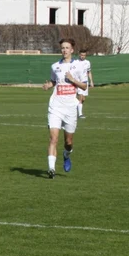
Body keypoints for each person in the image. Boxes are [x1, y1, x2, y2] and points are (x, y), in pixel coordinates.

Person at [43, 39, 88, 179]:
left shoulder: (79, 67)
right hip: (55, 106)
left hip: (70, 108)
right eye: (62, 48)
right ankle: (51, 169)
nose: (64, 50)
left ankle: (66, 154)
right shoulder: (55, 66)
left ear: (72, 50)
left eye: (67, 48)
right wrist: (48, 85)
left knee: (68, 142)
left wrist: (72, 79)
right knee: (53, 138)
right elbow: (54, 81)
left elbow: (84, 86)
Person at [72, 48, 94, 119]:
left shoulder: (87, 62)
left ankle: (75, 108)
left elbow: (89, 72)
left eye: (84, 55)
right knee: (80, 98)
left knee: (83, 99)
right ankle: (80, 114)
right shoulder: (75, 62)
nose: (83, 56)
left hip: (85, 82)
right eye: (81, 55)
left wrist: (91, 81)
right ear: (79, 55)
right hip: (78, 83)